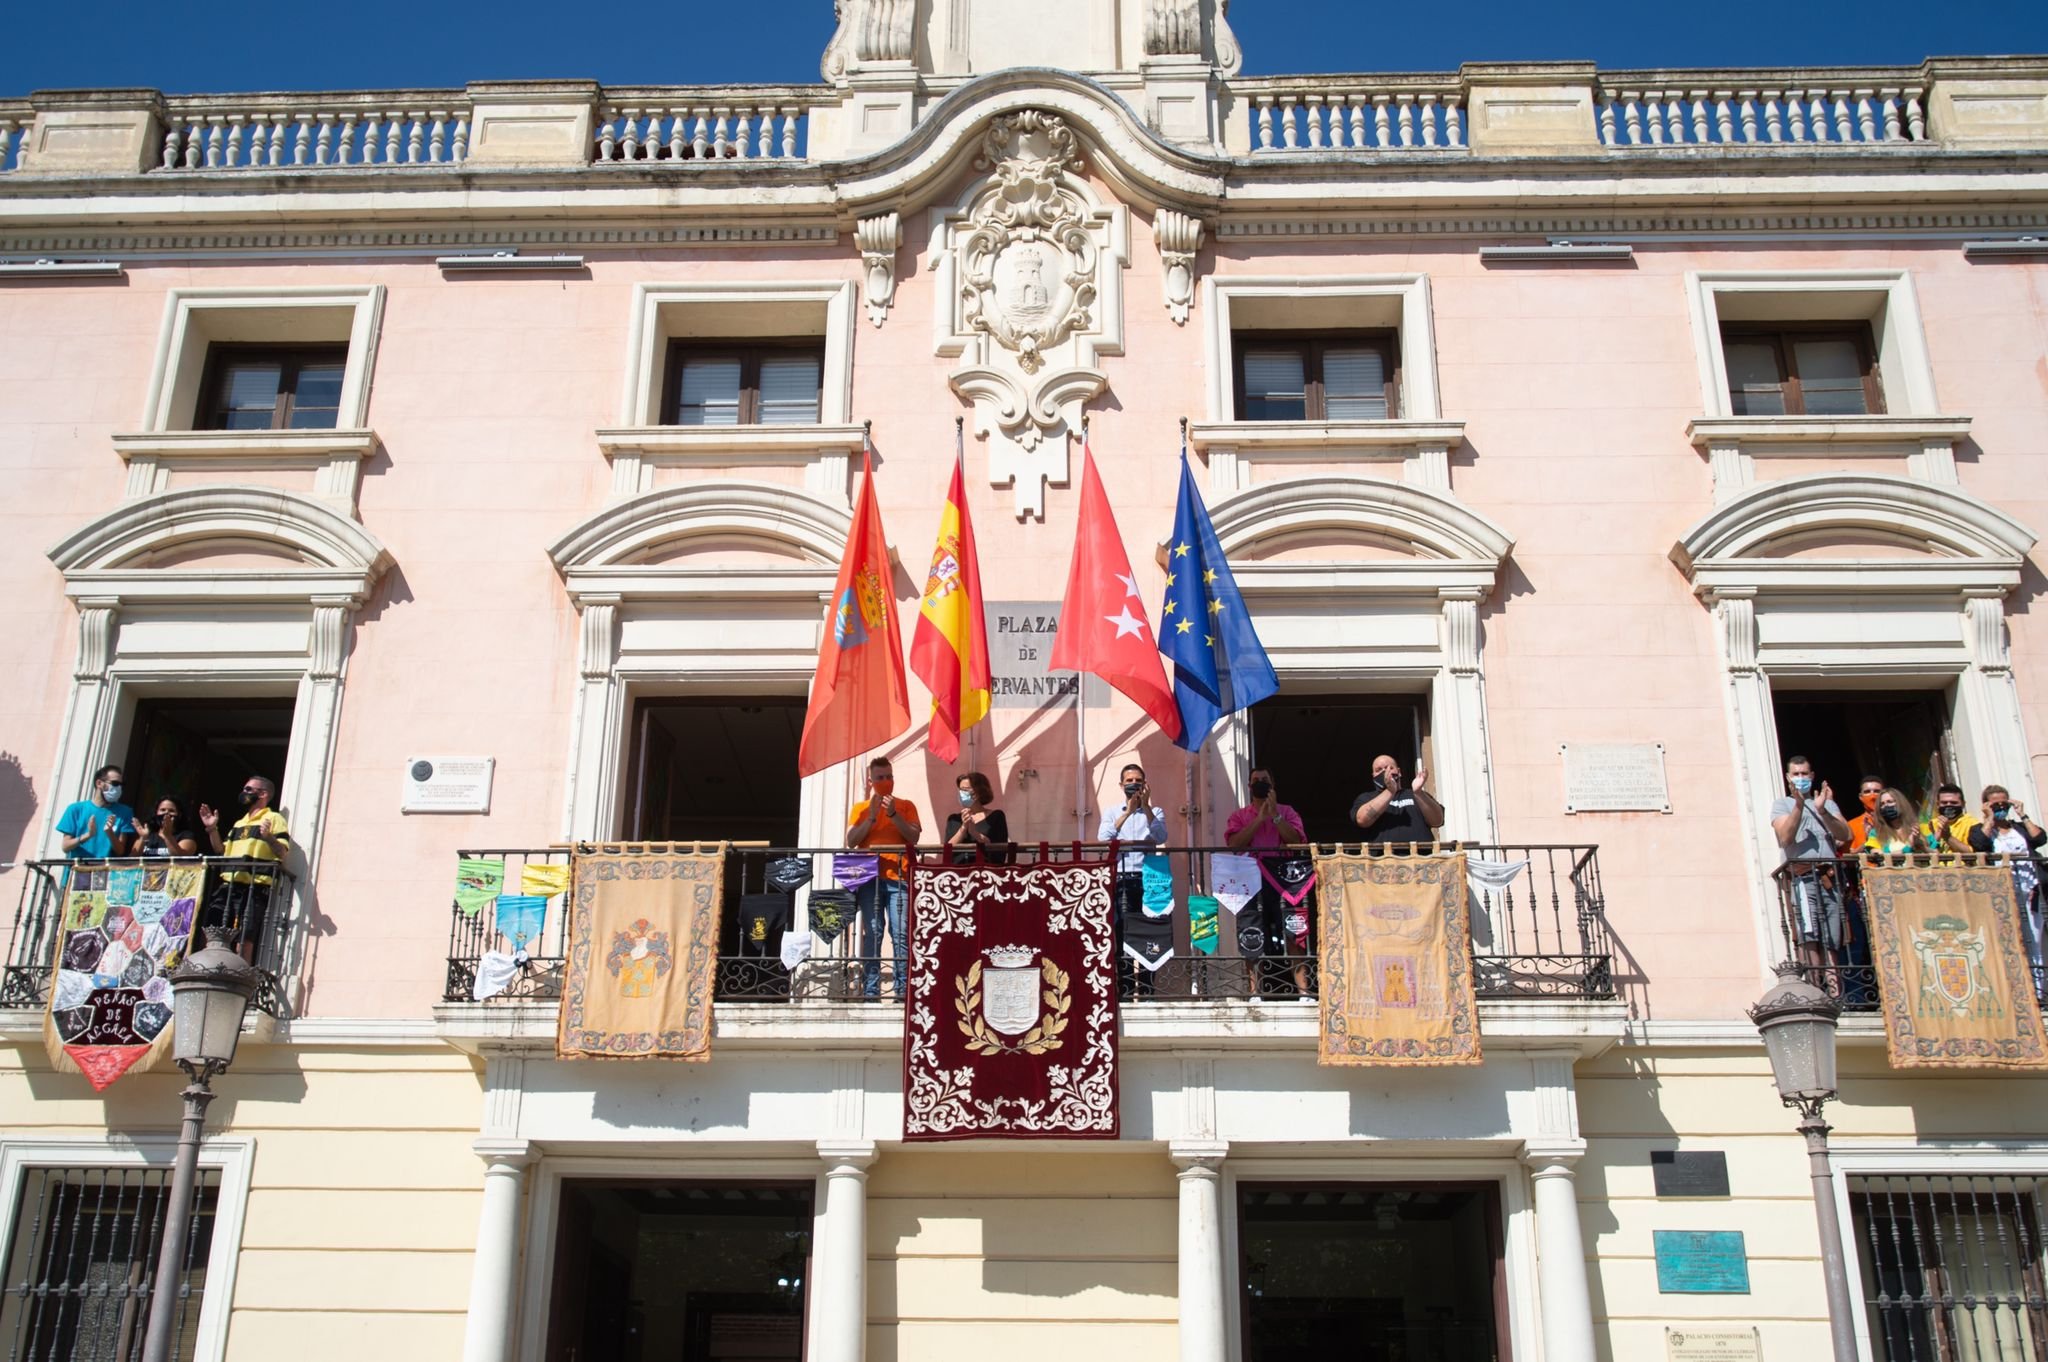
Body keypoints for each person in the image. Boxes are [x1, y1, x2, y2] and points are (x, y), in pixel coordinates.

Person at [1225, 767, 1313, 999]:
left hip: (1284, 882)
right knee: (1251, 933)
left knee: (1294, 932)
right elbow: (1235, 844)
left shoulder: (1287, 811)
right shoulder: (1239, 816)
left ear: (1273, 785)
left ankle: (1303, 992)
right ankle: (1255, 992)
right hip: (1250, 884)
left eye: (1265, 780)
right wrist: (1259, 819)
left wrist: (1275, 817)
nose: (1260, 784)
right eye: (1256, 781)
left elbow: (1296, 841)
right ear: (1249, 787)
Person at [846, 756, 921, 1001]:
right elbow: (852, 840)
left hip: (899, 878)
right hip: (870, 879)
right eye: (881, 777)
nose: (886, 781)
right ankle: (871, 991)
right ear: (871, 781)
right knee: (874, 931)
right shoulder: (860, 809)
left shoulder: (906, 805)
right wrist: (872, 816)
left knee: (900, 933)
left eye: (889, 776)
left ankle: (901, 991)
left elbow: (913, 837)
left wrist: (893, 814)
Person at [1770, 755, 1851, 972]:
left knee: (1832, 938)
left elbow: (1846, 834)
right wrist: (1798, 805)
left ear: (1812, 775)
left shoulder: (1828, 804)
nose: (1800, 778)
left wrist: (1823, 810)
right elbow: (1785, 837)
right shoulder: (1782, 805)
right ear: (1788, 777)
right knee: (1808, 935)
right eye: (1796, 774)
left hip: (1829, 879)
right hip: (1802, 879)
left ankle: (1835, 993)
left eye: (1804, 774)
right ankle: (1816, 992)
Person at [1967, 784, 2047, 1001]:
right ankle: (2018, 991)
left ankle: (2040, 992)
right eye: (1996, 803)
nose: (2001, 806)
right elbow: (1979, 844)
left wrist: (2023, 814)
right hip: (2001, 892)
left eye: (2004, 802)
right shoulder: (1980, 829)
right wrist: (1989, 817)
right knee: (2009, 937)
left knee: (2036, 937)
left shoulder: (2020, 828)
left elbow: (2040, 839)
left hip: (2030, 889)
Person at [200, 775, 291, 960]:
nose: (244, 793)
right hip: (229, 885)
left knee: (245, 935)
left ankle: (239, 974)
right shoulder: (239, 823)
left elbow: (282, 852)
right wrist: (212, 829)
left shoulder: (273, 818)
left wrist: (269, 837)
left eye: (249, 790)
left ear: (263, 794)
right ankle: (210, 966)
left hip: (254, 887)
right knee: (213, 929)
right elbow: (220, 849)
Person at [1099, 762, 1168, 999]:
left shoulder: (1156, 811)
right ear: (1121, 785)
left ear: (1145, 783)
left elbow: (1160, 836)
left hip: (1149, 880)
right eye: (1129, 781)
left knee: (1149, 934)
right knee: (1122, 933)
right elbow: (1104, 838)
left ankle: (1147, 990)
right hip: (1121, 880)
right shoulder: (1111, 812)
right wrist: (1128, 812)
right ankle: (1126, 990)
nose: (1133, 784)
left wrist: (1145, 807)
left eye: (1137, 780)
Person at [1351, 755, 1443, 847]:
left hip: (1421, 858)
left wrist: (1418, 793)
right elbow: (1362, 820)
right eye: (1379, 770)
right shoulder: (1366, 798)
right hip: (1383, 859)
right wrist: (1390, 791)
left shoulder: (1417, 795)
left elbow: (1438, 820)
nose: (1385, 771)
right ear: (1373, 776)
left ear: (1399, 772)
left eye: (1389, 768)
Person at [56, 765, 135, 860]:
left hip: (105, 871)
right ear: (99, 783)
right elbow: (65, 846)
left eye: (121, 785)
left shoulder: (124, 812)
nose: (118, 788)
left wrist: (110, 832)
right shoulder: (75, 809)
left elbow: (120, 851)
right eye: (115, 783)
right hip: (77, 869)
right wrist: (88, 835)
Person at [942, 771, 1011, 866]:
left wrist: (974, 832)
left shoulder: (996, 816)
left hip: (986, 870)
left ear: (978, 792)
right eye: (960, 790)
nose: (961, 793)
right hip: (959, 872)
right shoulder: (954, 819)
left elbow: (998, 847)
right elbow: (948, 848)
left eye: (965, 790)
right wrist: (963, 828)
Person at [1856, 787, 1922, 857]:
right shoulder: (1876, 833)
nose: (1886, 806)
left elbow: (1933, 851)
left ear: (1900, 803)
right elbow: (1877, 855)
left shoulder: (1918, 828)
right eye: (1882, 804)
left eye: (1890, 802)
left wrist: (1919, 843)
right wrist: (1908, 848)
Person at [1922, 783, 1980, 855]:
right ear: (1937, 805)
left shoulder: (1972, 824)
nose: (1948, 805)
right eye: (1944, 803)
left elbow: (1975, 853)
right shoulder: (1931, 824)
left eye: (1954, 803)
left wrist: (1947, 836)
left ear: (1963, 804)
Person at [134, 798, 199, 857]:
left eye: (171, 811)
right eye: (162, 810)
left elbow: (179, 859)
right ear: (156, 813)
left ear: (179, 814)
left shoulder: (186, 835)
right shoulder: (149, 834)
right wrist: (143, 838)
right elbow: (132, 859)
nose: (166, 813)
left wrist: (168, 836)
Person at [1844, 774, 1887, 850]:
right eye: (1867, 792)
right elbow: (1848, 855)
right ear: (1861, 797)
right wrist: (1869, 841)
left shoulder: (1895, 821)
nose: (1872, 796)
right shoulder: (1851, 825)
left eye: (1877, 791)